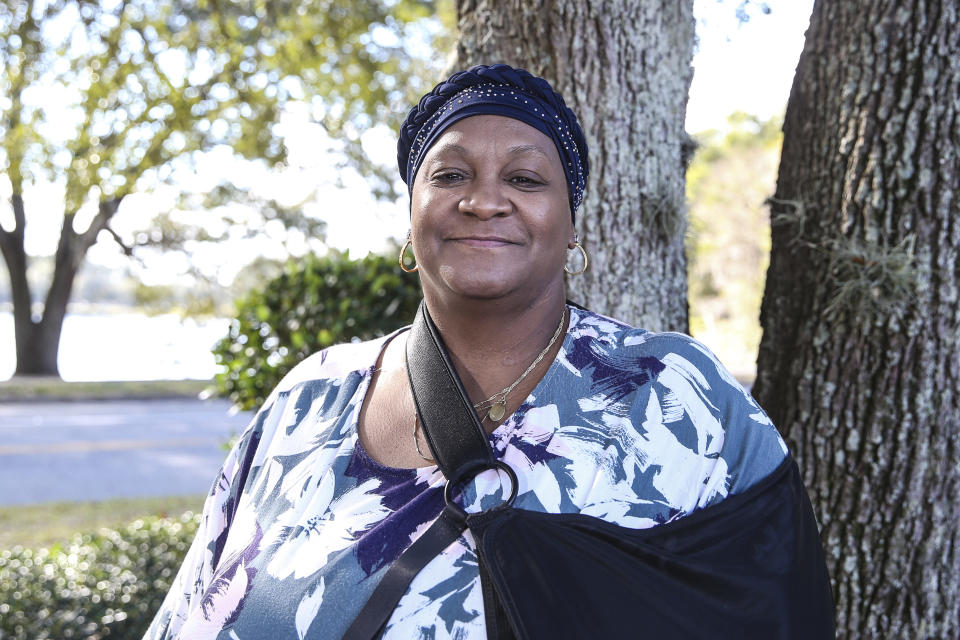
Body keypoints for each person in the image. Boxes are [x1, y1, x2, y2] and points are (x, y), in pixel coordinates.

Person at [145, 64, 828, 639]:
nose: (483, 201)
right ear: (411, 217)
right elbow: (192, 608)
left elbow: (778, 610)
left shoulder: (677, 394)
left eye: (526, 180)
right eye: (450, 177)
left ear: (569, 225)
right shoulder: (310, 395)